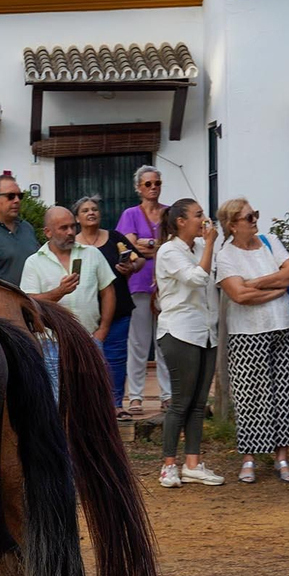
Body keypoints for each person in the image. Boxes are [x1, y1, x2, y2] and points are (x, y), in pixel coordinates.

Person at [214, 198, 289, 483]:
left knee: (285, 394)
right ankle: (249, 458)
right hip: (246, 332)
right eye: (248, 217)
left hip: (283, 325)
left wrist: (255, 283)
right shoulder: (226, 255)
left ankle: (282, 458)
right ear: (232, 225)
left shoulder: (270, 241)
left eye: (255, 215)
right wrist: (276, 288)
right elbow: (239, 296)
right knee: (251, 396)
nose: (254, 220)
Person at [154, 198, 222, 488]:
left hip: (206, 332)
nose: (203, 220)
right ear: (181, 221)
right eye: (197, 215)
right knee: (180, 402)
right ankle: (168, 466)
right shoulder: (169, 251)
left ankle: (192, 464)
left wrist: (206, 247)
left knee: (198, 403)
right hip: (179, 332)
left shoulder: (198, 248)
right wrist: (209, 246)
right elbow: (196, 278)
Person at [75, 196, 142, 415]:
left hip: (119, 309)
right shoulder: (73, 245)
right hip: (86, 314)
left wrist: (131, 267)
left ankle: (116, 404)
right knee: (84, 362)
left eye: (94, 209)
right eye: (85, 210)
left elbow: (138, 259)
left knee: (116, 358)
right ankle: (90, 406)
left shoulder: (115, 238)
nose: (91, 213)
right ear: (77, 217)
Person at [118, 165, 170, 415]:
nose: (153, 188)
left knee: (164, 341)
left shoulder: (170, 213)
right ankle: (136, 396)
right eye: (148, 184)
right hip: (139, 285)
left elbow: (176, 245)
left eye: (157, 183)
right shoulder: (130, 213)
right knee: (138, 343)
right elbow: (129, 248)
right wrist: (157, 245)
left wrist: (146, 244)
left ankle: (167, 394)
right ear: (139, 187)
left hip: (167, 285)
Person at [20, 206, 116, 339]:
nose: (71, 232)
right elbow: (29, 302)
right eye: (64, 228)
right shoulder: (34, 262)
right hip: (53, 342)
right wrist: (60, 291)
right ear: (48, 232)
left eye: (73, 226)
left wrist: (103, 330)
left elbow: (108, 292)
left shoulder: (92, 253)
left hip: (89, 338)